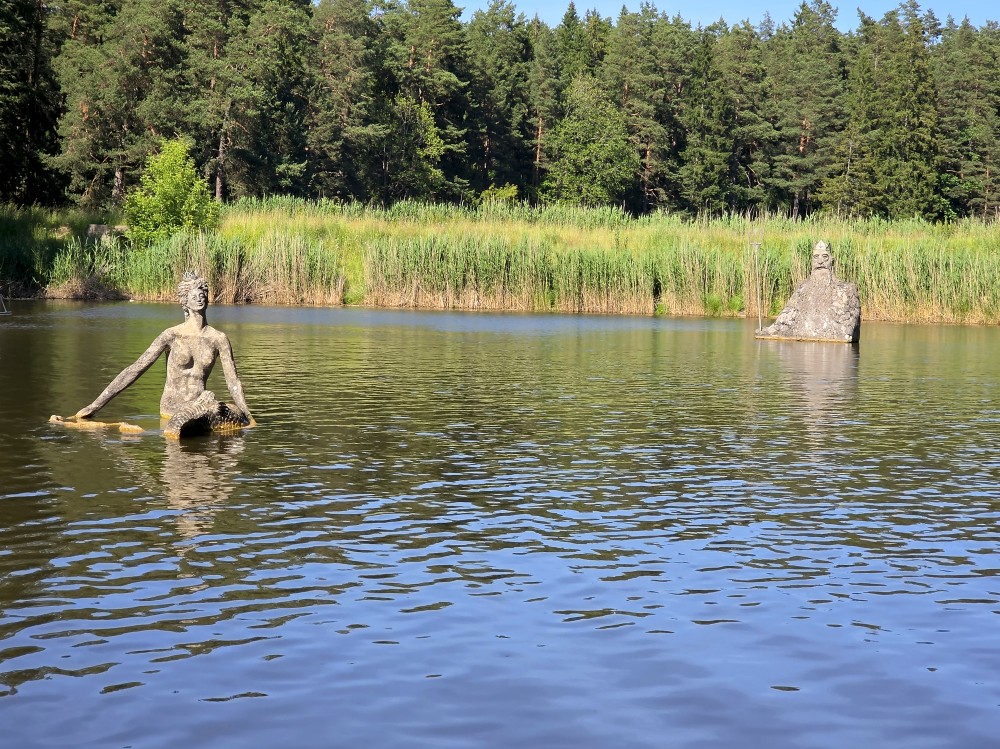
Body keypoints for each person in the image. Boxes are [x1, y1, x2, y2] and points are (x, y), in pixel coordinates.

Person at [76, 271, 255, 437]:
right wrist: (95, 405)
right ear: (185, 302)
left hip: (201, 404)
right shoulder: (172, 335)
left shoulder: (218, 338)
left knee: (221, 409)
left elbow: (233, 382)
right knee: (206, 410)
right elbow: (135, 370)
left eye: (202, 295)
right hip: (173, 407)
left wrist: (248, 415)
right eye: (194, 296)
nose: (199, 299)